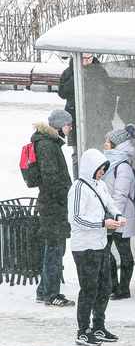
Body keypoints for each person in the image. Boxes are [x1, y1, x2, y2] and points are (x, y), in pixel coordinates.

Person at [68, 149, 126, 346]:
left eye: (104, 169)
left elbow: (109, 203)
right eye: (99, 169)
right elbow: (75, 218)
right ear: (90, 167)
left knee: (105, 286)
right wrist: (103, 223)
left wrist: (117, 215)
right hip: (85, 247)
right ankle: (83, 330)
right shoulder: (78, 187)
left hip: (100, 245)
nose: (102, 172)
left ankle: (98, 325)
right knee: (89, 289)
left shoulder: (100, 185)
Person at [33, 110, 74, 307]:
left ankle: (44, 291)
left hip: (52, 204)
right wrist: (64, 198)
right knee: (55, 251)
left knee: (54, 249)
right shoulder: (48, 146)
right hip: (53, 206)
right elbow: (51, 179)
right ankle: (50, 294)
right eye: (68, 124)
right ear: (59, 125)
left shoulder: (48, 143)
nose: (70, 128)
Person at [58, 53, 117, 179]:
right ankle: (79, 180)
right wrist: (76, 75)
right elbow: (62, 92)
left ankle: (97, 180)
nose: (87, 62)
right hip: (76, 118)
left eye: (89, 58)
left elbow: (110, 94)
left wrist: (108, 115)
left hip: (97, 118)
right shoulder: (69, 72)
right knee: (77, 154)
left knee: (97, 151)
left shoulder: (100, 72)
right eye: (84, 59)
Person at [102, 124, 135, 300]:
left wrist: (116, 217)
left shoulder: (122, 166)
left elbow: (121, 195)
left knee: (124, 252)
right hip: (111, 215)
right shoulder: (110, 163)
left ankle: (123, 288)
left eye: (108, 142)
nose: (105, 144)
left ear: (117, 145)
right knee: (106, 252)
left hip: (120, 216)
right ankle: (113, 286)